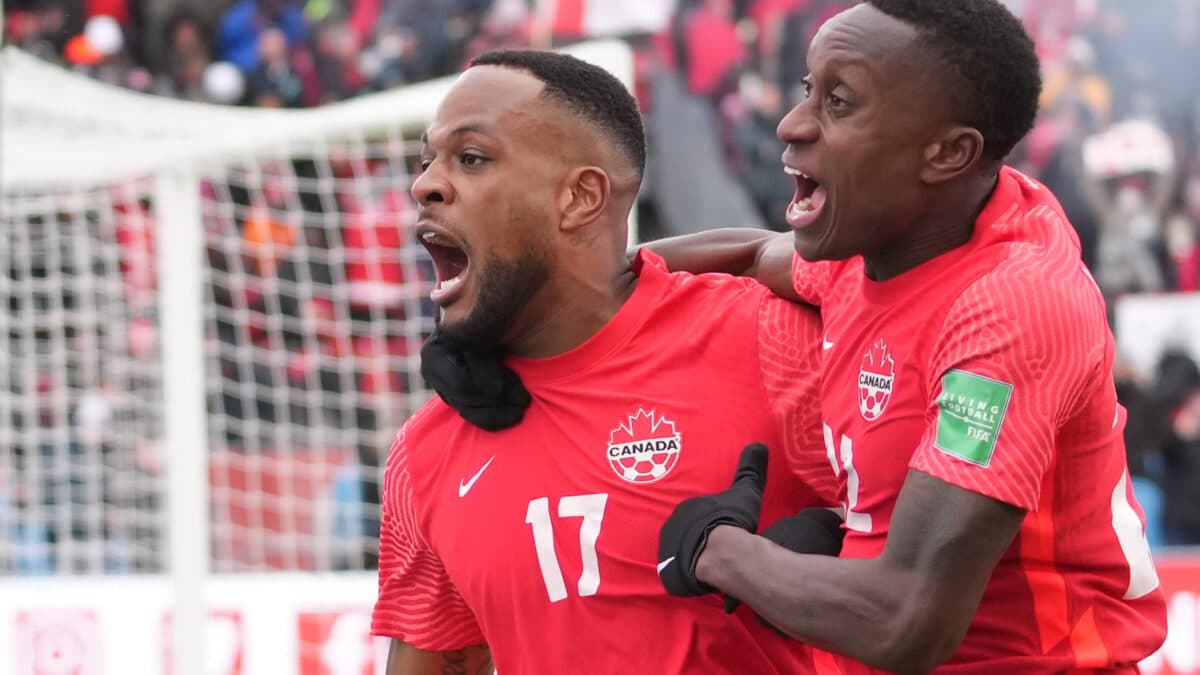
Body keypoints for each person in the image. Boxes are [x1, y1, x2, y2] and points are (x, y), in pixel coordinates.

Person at [650, 1, 1168, 672]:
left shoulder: (1011, 306)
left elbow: (907, 618)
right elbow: (751, 254)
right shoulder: (868, 239)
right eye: (809, 88)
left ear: (949, 153)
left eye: (838, 102)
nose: (790, 122)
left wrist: (720, 549)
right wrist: (550, 299)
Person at [370, 49, 843, 675]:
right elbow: (443, 658)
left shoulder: (769, 338)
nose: (424, 184)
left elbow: (944, 576)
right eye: (427, 159)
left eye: (472, 158)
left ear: (581, 197)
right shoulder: (427, 452)